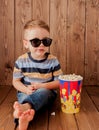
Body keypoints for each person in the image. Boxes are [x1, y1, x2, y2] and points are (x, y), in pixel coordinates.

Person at [13, 19, 63, 130]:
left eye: (45, 41)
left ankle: (24, 109)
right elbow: (16, 81)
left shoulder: (53, 60)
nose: (41, 45)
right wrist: (26, 90)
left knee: (42, 94)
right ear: (26, 44)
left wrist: (42, 86)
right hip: (26, 91)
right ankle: (21, 121)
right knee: (24, 97)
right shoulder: (21, 61)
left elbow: (60, 82)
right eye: (35, 41)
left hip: (46, 92)